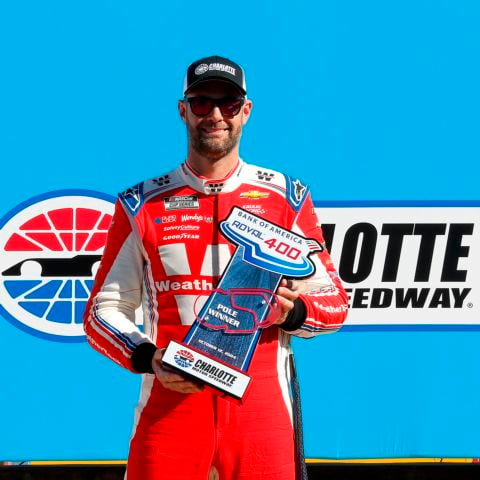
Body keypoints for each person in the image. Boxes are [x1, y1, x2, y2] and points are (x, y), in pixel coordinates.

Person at [84, 55, 349, 480]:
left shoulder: (286, 197)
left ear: (245, 111)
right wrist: (149, 358)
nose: (215, 115)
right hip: (169, 406)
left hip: (261, 410)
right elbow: (102, 311)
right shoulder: (139, 204)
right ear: (183, 109)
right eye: (202, 102)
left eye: (227, 104)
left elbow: (334, 301)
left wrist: (292, 311)